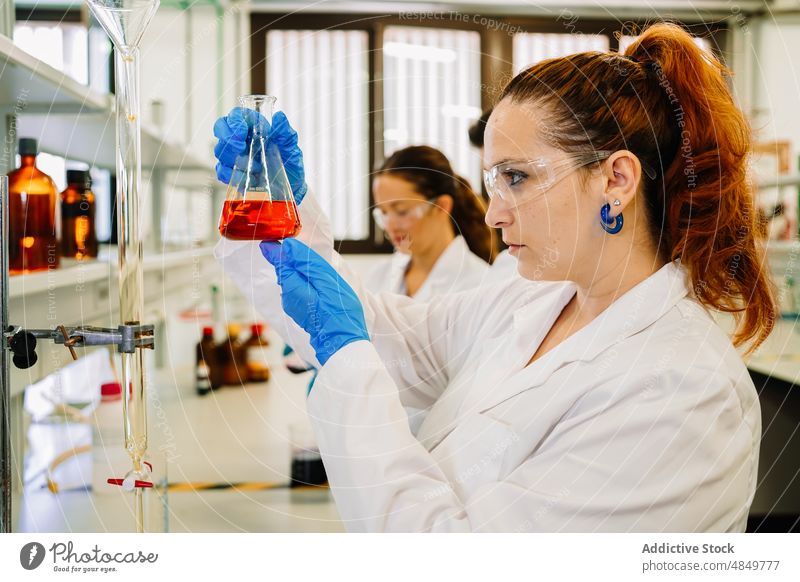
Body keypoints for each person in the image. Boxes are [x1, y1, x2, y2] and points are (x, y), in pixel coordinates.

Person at [214, 23, 776, 532]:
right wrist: (282, 206)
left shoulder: (679, 394)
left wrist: (348, 361)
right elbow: (394, 341)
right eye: (493, 179)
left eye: (517, 177)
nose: (491, 212)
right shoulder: (533, 299)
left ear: (617, 179)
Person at [367, 145, 492, 299]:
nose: (390, 226)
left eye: (402, 211)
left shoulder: (480, 284)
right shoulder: (378, 277)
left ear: (441, 206)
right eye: (384, 213)